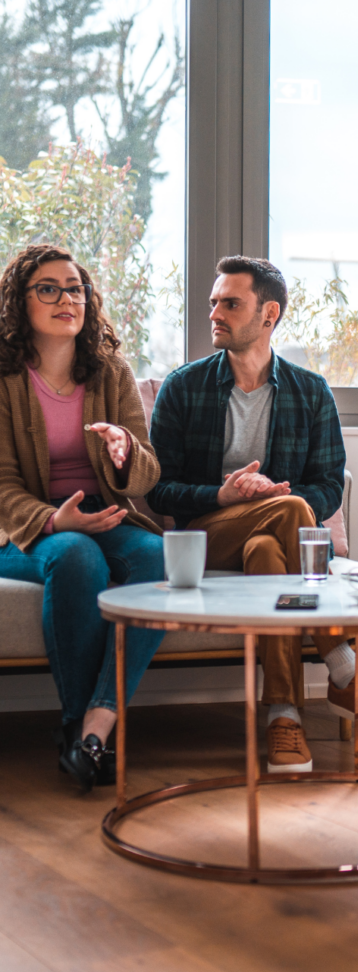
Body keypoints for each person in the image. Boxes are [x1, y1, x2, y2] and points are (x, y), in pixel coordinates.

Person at [147, 255, 358, 773]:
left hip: (271, 543)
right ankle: (344, 668)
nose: (215, 313)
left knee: (269, 547)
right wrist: (223, 496)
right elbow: (159, 490)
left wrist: (275, 503)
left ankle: (285, 717)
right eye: (213, 302)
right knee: (289, 508)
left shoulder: (310, 390)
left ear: (268, 314)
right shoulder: (183, 387)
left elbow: (328, 487)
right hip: (208, 533)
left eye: (231, 303)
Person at [0, 244, 166, 792]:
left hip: (105, 513)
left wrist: (125, 453)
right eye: (48, 288)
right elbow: (1, 484)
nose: (65, 298)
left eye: (75, 288)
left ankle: (99, 720)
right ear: (19, 302)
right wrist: (54, 522)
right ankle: (78, 729)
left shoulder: (110, 370)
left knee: (158, 560)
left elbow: (147, 475)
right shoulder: (3, 378)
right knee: (75, 557)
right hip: (29, 525)